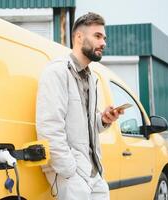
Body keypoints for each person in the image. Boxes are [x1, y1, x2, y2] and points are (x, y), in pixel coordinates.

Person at [36, 12, 123, 200]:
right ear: (79, 37)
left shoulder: (90, 77)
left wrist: (103, 119)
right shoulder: (57, 72)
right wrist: (69, 171)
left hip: (93, 172)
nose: (103, 43)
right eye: (98, 36)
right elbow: (49, 127)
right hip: (72, 175)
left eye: (104, 37)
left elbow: (84, 126)